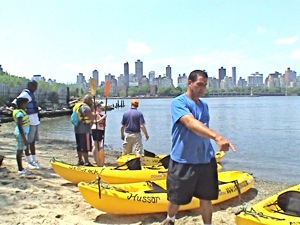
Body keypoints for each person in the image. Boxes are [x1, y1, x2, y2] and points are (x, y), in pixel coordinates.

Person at [162, 70, 236, 225]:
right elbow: (190, 123)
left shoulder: (204, 105)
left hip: (205, 159)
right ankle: (170, 219)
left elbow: (203, 127)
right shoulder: (178, 103)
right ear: (189, 83)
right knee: (176, 199)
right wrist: (217, 137)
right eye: (199, 84)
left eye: (205, 85)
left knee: (206, 198)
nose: (202, 89)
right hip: (183, 160)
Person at [12, 80, 42, 169]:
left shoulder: (31, 94)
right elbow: (15, 103)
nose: (35, 88)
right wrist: (20, 116)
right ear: (29, 85)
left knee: (33, 142)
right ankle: (29, 161)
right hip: (30, 122)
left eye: (36, 86)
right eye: (34, 86)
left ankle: (34, 160)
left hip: (35, 121)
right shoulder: (25, 94)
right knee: (27, 142)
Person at [74, 95, 96, 166]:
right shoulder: (86, 107)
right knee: (85, 146)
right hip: (84, 129)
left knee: (79, 145)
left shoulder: (79, 106)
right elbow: (92, 117)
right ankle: (87, 162)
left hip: (77, 129)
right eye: (91, 100)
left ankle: (80, 160)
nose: (92, 101)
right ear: (88, 100)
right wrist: (94, 112)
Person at [13, 98, 31, 175]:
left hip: (22, 134)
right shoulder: (19, 114)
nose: (26, 105)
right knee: (19, 151)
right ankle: (20, 169)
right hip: (21, 134)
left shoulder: (19, 112)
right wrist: (24, 139)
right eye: (25, 104)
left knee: (20, 150)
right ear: (21, 104)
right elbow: (20, 127)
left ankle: (21, 168)